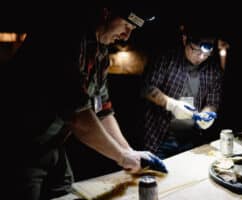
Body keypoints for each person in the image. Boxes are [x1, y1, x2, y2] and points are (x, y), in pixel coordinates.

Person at [6, 3, 164, 200]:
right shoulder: (64, 35)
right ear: (106, 12)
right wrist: (122, 157)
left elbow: (103, 109)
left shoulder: (100, 51)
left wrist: (128, 151)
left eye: (132, 30)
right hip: (20, 148)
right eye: (126, 25)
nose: (126, 36)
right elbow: (78, 116)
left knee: (67, 192)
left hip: (53, 145)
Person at [140, 24, 224, 159]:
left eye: (207, 54)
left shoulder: (214, 70)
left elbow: (212, 102)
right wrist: (172, 104)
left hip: (191, 139)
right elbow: (147, 88)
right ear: (185, 40)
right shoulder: (166, 59)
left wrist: (207, 114)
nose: (201, 57)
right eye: (197, 51)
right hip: (159, 137)